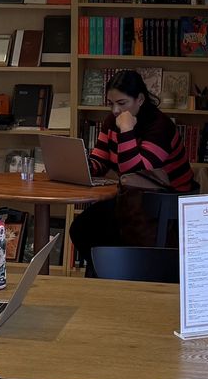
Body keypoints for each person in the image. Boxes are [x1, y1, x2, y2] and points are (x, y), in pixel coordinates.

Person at [69, 69, 197, 267]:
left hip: (164, 202)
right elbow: (100, 160)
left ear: (140, 100)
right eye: (111, 103)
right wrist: (77, 166)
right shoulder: (112, 122)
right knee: (82, 228)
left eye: (122, 103)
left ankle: (115, 272)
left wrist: (126, 130)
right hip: (133, 199)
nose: (115, 110)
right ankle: (109, 273)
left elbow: (137, 172)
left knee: (90, 228)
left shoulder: (160, 126)